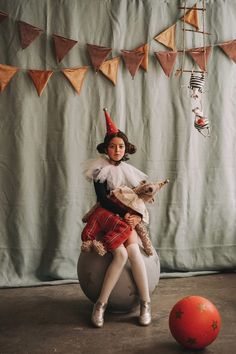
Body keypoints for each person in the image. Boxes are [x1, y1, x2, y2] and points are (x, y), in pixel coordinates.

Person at [82, 108, 152, 328]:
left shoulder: (130, 171)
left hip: (126, 221)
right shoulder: (99, 169)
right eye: (112, 146)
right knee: (119, 255)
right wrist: (125, 214)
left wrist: (135, 217)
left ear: (125, 148)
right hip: (107, 219)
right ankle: (100, 304)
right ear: (106, 148)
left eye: (120, 146)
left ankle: (145, 303)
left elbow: (136, 198)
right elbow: (103, 199)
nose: (117, 150)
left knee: (133, 251)